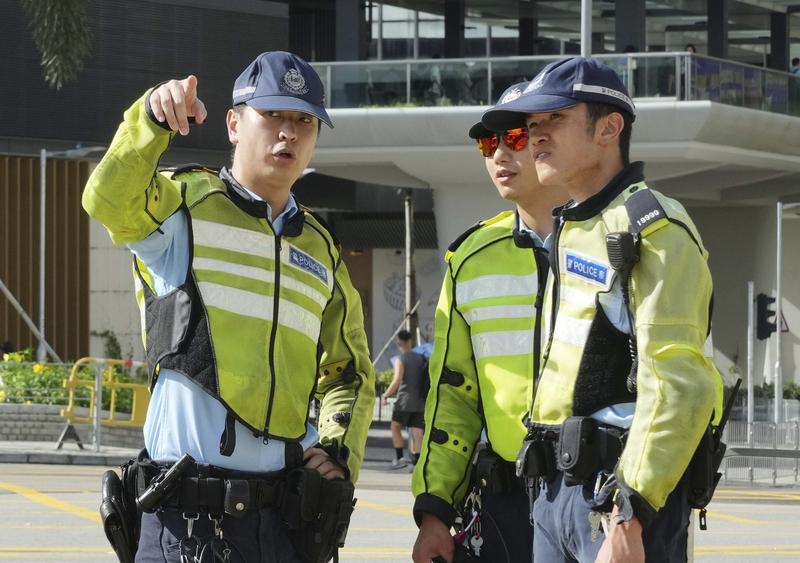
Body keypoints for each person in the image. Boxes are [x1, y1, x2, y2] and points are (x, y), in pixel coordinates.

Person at [83, 51, 375, 562]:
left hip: (286, 522)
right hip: (185, 522)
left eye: (304, 120)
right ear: (234, 124)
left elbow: (348, 372)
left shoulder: (322, 247)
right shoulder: (184, 206)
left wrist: (335, 450)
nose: (289, 133)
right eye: (274, 115)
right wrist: (151, 118)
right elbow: (107, 200)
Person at [481, 56, 723, 563]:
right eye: (534, 124)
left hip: (616, 498)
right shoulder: (570, 226)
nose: (537, 136)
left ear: (610, 127)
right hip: (553, 494)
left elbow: (679, 384)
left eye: (555, 120)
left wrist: (629, 512)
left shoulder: (652, 228)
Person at [411, 82, 567, 563]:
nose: (500, 153)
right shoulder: (469, 257)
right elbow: (453, 397)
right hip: (504, 507)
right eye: (488, 143)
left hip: (595, 502)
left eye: (516, 138)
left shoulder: (619, 241)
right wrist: (435, 513)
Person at [383, 329, 426, 469]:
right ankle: (417, 463)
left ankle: (400, 458)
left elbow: (397, 380)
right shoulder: (421, 358)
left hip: (404, 400)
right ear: (411, 341)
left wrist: (386, 395)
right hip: (420, 401)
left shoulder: (401, 359)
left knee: (395, 426)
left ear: (400, 343)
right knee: (417, 431)